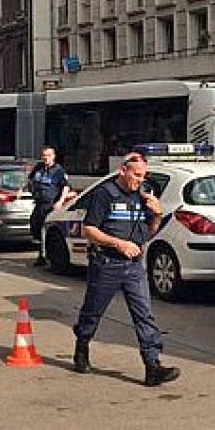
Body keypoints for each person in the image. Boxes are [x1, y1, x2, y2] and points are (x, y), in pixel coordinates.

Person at [72, 152, 180, 386]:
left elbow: (149, 233)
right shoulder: (105, 194)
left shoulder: (142, 198)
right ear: (123, 171)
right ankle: (82, 345)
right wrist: (118, 244)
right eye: (136, 175)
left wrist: (158, 213)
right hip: (107, 263)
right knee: (92, 311)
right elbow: (88, 230)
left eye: (143, 176)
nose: (140, 180)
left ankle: (153, 366)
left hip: (133, 266)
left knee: (144, 314)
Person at [27, 146, 71, 267]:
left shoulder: (58, 171)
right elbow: (30, 180)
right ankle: (41, 253)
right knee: (35, 227)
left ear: (53, 156)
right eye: (44, 156)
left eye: (48, 155)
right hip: (39, 204)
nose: (46, 158)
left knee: (46, 230)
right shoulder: (39, 167)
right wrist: (24, 190)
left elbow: (66, 187)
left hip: (50, 205)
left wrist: (60, 202)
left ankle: (43, 256)